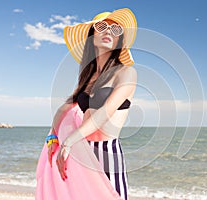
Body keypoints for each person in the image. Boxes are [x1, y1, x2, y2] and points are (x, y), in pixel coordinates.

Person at [36, 8, 137, 200]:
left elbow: (104, 113)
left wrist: (69, 141)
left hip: (107, 152)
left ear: (119, 41)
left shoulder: (125, 73)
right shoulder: (87, 78)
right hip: (82, 151)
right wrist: (53, 136)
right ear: (92, 35)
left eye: (115, 30)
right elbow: (64, 109)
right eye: (102, 27)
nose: (108, 31)